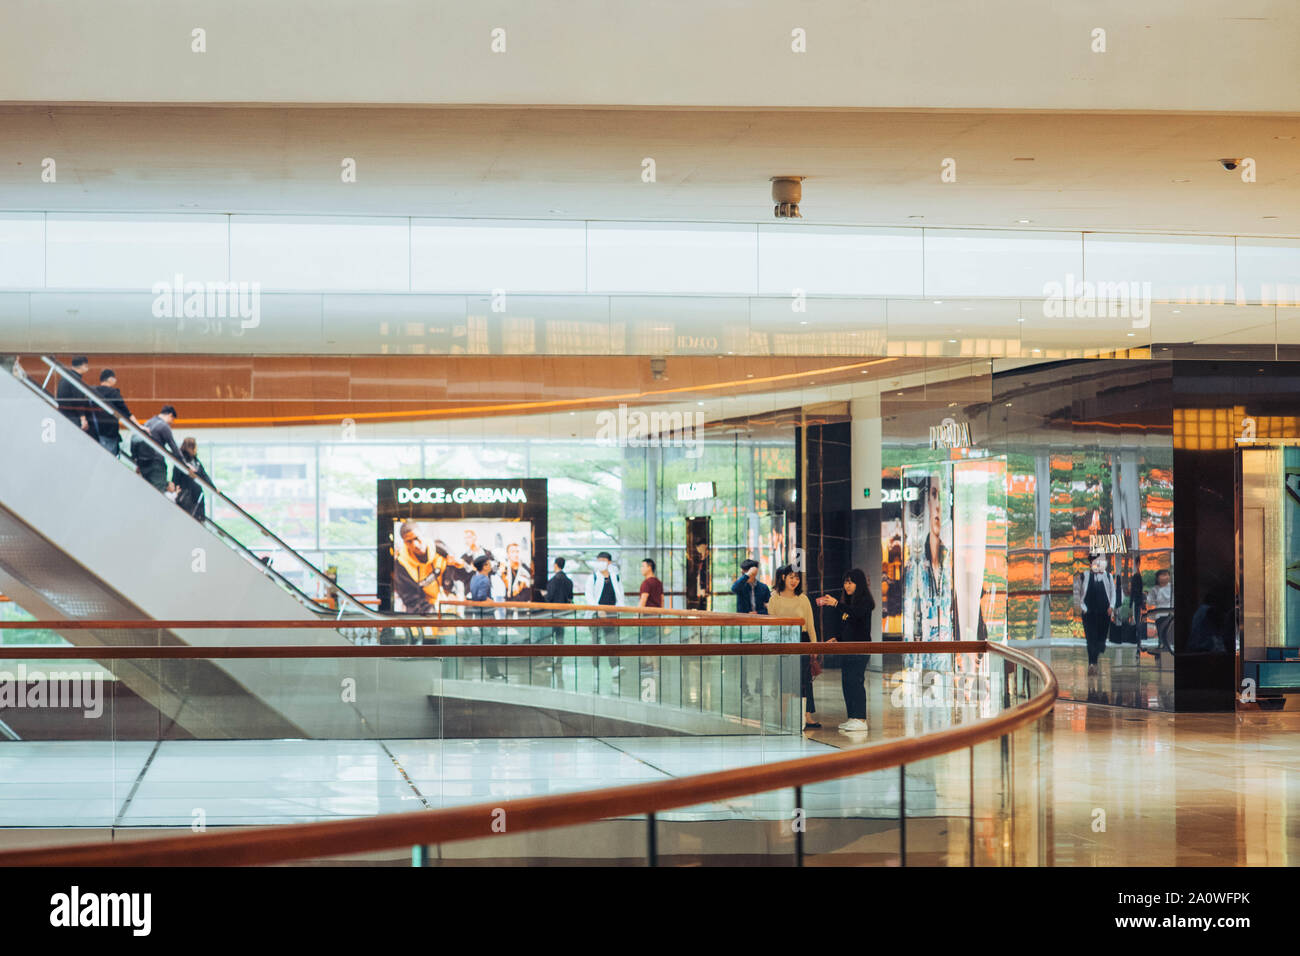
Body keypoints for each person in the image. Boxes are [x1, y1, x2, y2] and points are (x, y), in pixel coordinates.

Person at [817, 568, 876, 733]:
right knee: (847, 683)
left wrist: (836, 604)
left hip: (859, 650)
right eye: (845, 582)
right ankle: (852, 717)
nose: (847, 586)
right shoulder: (848, 603)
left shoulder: (865, 602)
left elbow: (857, 616)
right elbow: (849, 628)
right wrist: (838, 639)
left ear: (859, 583)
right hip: (847, 649)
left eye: (851, 582)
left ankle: (861, 718)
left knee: (856, 683)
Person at [769, 564, 821, 731]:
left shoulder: (803, 599)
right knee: (785, 679)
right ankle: (784, 717)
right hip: (783, 641)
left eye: (797, 578)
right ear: (783, 577)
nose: (794, 581)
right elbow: (770, 623)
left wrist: (814, 647)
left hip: (802, 639)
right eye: (791, 577)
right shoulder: (775, 597)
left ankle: (807, 716)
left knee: (805, 680)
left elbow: (811, 625)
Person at [583, 552, 625, 679]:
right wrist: (598, 609)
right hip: (596, 614)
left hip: (612, 614)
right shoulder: (593, 578)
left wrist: (619, 609)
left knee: (612, 641)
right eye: (599, 560)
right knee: (596, 642)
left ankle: (615, 668)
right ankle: (596, 669)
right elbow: (589, 596)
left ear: (609, 562)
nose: (600, 562)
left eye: (603, 560)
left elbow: (620, 595)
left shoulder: (615, 577)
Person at [1076, 552, 1117, 675]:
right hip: (1089, 613)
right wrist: (1083, 608)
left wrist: (1111, 607)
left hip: (1104, 613)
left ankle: (1095, 661)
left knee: (1101, 641)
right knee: (1091, 639)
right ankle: (1092, 664)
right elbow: (1077, 593)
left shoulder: (1108, 576)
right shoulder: (1084, 576)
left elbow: (1113, 593)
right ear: (1091, 563)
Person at [131, 405, 183, 492]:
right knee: (158, 492)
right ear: (170, 415)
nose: (171, 423)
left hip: (143, 464)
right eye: (172, 420)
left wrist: (137, 461)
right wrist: (185, 464)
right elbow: (174, 447)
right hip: (156, 465)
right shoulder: (164, 426)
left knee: (147, 492)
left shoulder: (147, 423)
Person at [468, 555, 504, 679]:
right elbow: (481, 597)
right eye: (488, 564)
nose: (491, 566)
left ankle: (492, 671)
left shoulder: (474, 578)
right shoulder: (484, 580)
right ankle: (493, 672)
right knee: (491, 644)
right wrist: (492, 602)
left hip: (479, 615)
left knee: (488, 643)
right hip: (487, 616)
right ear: (484, 566)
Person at [92, 368, 136, 458]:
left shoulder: (93, 391)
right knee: (109, 460)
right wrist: (139, 426)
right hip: (109, 432)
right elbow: (126, 412)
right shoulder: (113, 393)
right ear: (110, 379)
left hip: (94, 432)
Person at [171, 437, 214, 520]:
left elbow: (204, 475)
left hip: (196, 496)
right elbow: (175, 479)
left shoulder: (195, 461)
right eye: (195, 447)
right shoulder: (181, 462)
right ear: (191, 447)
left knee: (197, 519)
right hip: (186, 497)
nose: (196, 449)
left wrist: (214, 488)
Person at [55, 356, 98, 438]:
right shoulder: (75, 380)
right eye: (86, 365)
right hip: (73, 418)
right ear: (83, 365)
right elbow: (78, 401)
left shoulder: (67, 376)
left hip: (64, 416)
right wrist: (83, 419)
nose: (88, 367)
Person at [1146, 569, 1174, 656]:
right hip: (1159, 613)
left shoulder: (1172, 587)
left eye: (1166, 574)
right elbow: (1150, 601)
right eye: (1162, 575)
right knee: (1161, 630)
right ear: (1158, 578)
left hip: (1170, 612)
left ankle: (1168, 648)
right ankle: (1161, 646)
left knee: (1169, 632)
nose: (1165, 577)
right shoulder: (1155, 589)